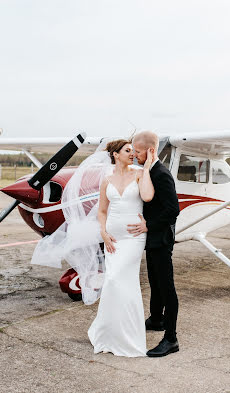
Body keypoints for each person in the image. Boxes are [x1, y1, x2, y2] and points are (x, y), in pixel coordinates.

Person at [88, 139, 155, 357]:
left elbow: (147, 196)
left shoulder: (138, 173)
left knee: (118, 278)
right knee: (114, 282)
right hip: (113, 239)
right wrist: (103, 232)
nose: (132, 154)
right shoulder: (107, 181)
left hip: (133, 238)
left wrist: (146, 169)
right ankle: (108, 332)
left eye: (133, 151)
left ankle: (129, 336)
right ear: (115, 155)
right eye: (127, 151)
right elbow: (102, 211)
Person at [128, 131, 180, 358]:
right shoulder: (149, 171)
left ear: (150, 151)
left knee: (166, 286)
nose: (134, 156)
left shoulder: (161, 174)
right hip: (152, 239)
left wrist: (149, 225)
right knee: (154, 281)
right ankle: (157, 319)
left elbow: (173, 210)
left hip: (161, 238)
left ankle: (171, 338)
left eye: (137, 151)